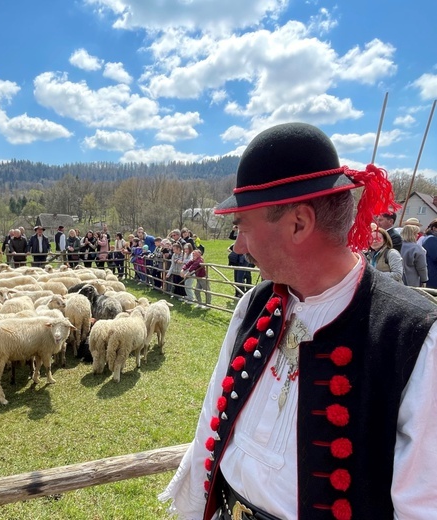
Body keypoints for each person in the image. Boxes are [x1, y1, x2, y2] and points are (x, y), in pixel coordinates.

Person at [160, 122, 437, 519]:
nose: (237, 246)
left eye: (242, 227)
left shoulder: (414, 338)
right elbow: (211, 419)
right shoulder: (254, 304)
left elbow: (424, 507)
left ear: (299, 224)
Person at [400, 223, 428, 287]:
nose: (417, 235)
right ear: (411, 235)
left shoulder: (396, 246)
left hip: (398, 280)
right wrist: (424, 280)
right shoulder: (417, 248)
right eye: (416, 233)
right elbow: (422, 267)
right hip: (412, 280)